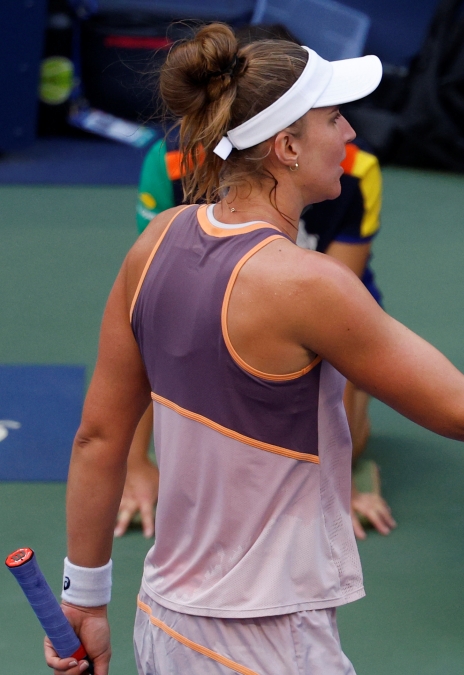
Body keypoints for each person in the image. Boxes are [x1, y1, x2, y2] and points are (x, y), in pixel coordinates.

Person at [46, 23, 464, 675]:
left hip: (162, 624)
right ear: (287, 146)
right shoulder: (306, 283)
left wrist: (86, 600)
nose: (352, 135)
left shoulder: (155, 241)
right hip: (265, 646)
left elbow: (97, 439)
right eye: (334, 119)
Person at [121, 24, 393, 541]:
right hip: (217, 301)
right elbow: (147, 315)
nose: (350, 132)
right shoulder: (168, 165)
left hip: (326, 310)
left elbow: (340, 305)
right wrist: (136, 466)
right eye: (334, 116)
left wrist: (338, 477)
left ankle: (349, 440)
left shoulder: (355, 170)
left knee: (345, 436)